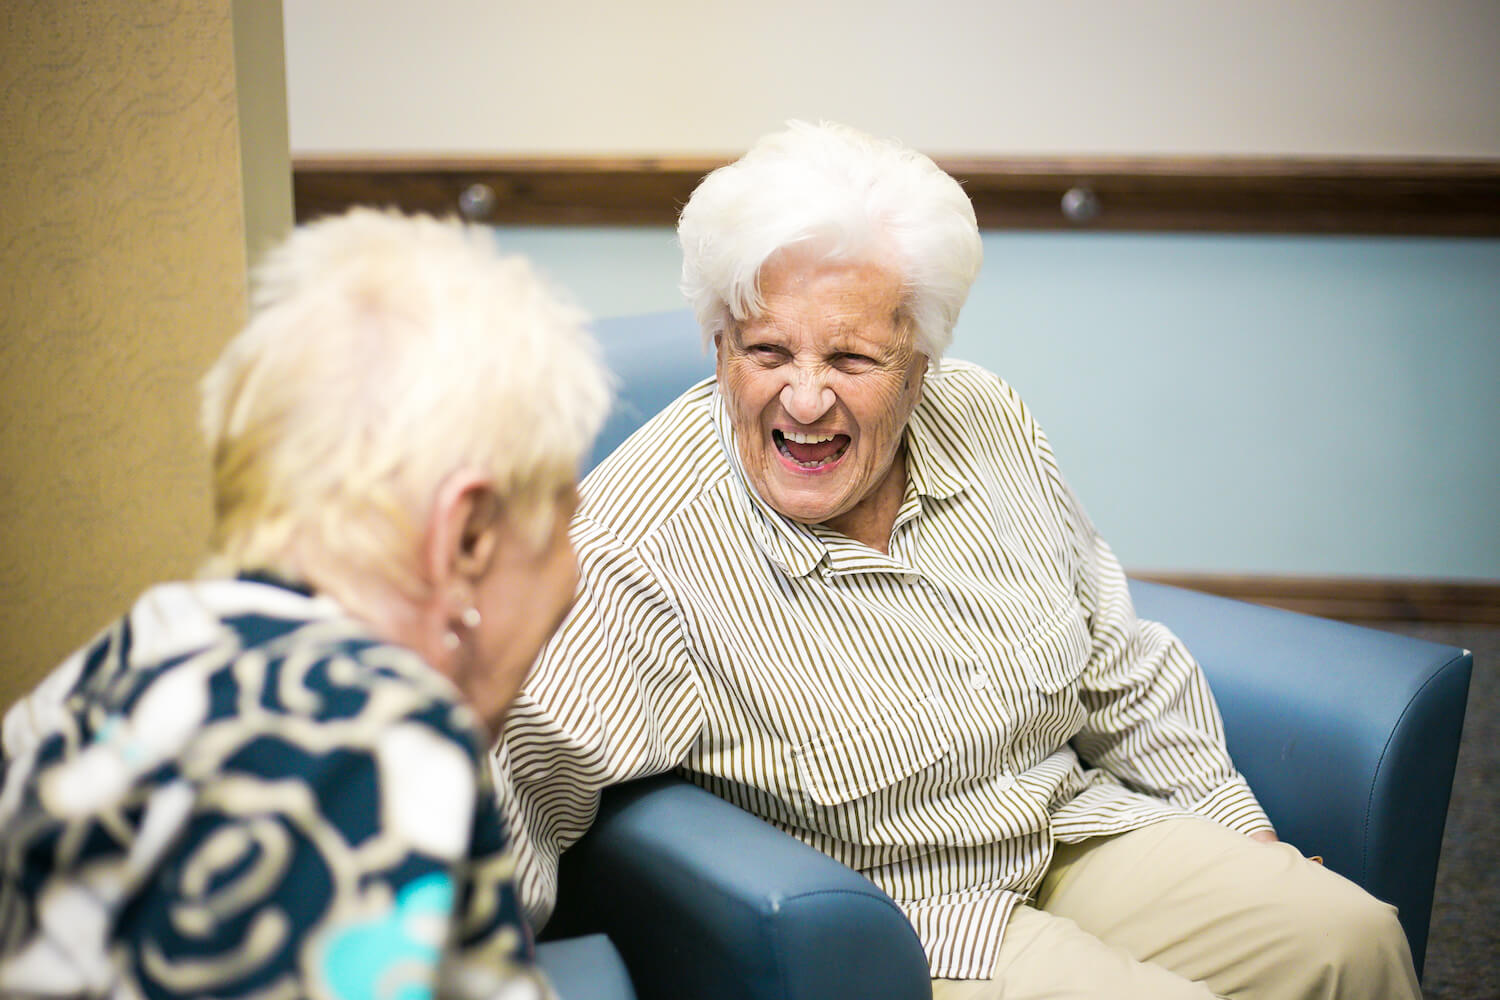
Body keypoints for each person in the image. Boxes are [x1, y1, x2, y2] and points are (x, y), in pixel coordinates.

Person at [492, 122, 1421, 999]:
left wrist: (1240, 832)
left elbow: (1115, 661)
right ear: (720, 345)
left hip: (1070, 825)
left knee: (1354, 941)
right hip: (915, 912)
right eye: (766, 350)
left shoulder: (987, 419)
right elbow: (520, 769)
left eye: (851, 358)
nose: (804, 399)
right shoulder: (642, 543)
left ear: (920, 360)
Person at [0, 209, 610, 1000]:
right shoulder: (367, 742)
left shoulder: (113, 667)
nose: (572, 574)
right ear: (466, 540)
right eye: (566, 518)